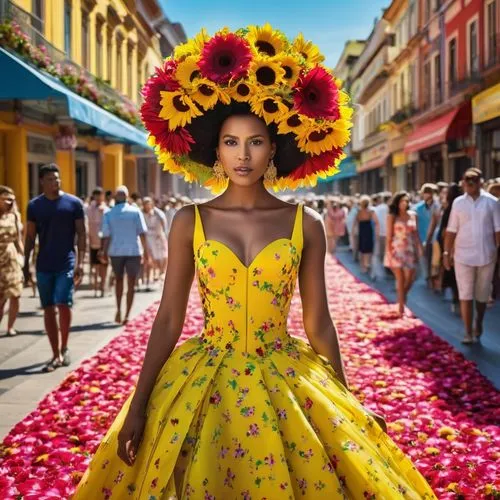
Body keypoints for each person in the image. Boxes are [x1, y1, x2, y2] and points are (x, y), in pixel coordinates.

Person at [73, 25, 436, 499]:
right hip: (201, 382)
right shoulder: (189, 220)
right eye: (231, 142)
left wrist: (347, 400)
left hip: (286, 376)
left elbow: (318, 321)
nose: (243, 155)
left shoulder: (305, 223)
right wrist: (139, 404)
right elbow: (168, 318)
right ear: (215, 151)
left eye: (256, 142)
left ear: (275, 148)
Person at [24, 164, 86, 372]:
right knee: (48, 308)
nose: (55, 182)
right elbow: (30, 236)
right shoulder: (34, 206)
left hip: (66, 262)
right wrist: (26, 264)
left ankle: (64, 345)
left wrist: (81, 262)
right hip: (44, 264)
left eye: (57, 179)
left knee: (63, 303)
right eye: (50, 179)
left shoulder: (74, 203)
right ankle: (55, 353)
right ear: (42, 181)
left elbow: (82, 234)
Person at [444, 168, 500, 344]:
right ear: (462, 183)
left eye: (473, 180)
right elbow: (451, 229)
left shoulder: (492, 202)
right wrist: (447, 252)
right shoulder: (458, 203)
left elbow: (498, 230)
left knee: (482, 295)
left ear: (480, 182)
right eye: (466, 181)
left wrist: (498, 251)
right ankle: (467, 332)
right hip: (463, 255)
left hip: (487, 255)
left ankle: (479, 322)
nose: (469, 184)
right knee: (465, 293)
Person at [100, 185, 149, 325]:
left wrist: (103, 252)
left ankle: (119, 310)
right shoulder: (135, 211)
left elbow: (106, 236)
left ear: (116, 197)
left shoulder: (108, 214)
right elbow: (142, 233)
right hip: (133, 251)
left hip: (116, 252)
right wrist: (146, 252)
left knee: (119, 280)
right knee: (131, 283)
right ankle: (127, 314)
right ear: (127, 197)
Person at [385, 192, 423, 316]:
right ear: (397, 202)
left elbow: (416, 234)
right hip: (396, 248)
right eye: (402, 201)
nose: (404, 204)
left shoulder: (413, 215)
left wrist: (420, 247)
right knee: (400, 278)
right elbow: (389, 235)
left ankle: (402, 297)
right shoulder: (392, 216)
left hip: (410, 248)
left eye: (406, 201)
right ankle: (401, 307)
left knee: (411, 277)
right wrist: (388, 251)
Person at [0, 186, 24, 336]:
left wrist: (23, 259)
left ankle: (10, 327)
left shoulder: (14, 216)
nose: (9, 203)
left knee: (16, 294)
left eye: (11, 200)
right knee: (1, 298)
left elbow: (18, 240)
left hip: (12, 259)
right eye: (5, 200)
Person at [437, 183, 462, 313]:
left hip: (452, 246)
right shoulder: (460, 207)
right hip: (461, 246)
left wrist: (446, 249)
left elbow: (444, 231)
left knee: (452, 273)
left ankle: (456, 299)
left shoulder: (450, 209)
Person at [414, 183, 439, 285]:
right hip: (422, 236)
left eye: (429, 193)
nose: (426, 195)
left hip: (435, 238)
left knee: (434, 259)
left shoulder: (437, 206)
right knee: (424, 258)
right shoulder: (417, 208)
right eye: (425, 193)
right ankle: (427, 277)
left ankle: (433, 279)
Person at [87, 187, 109, 297]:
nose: (98, 198)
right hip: (93, 241)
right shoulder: (89, 208)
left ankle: (103, 287)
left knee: (103, 266)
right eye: (96, 195)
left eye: (100, 195)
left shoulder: (106, 209)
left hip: (104, 243)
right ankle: (95, 287)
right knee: (95, 265)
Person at [142, 197, 168, 285]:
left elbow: (163, 222)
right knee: (152, 255)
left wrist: (162, 234)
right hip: (148, 237)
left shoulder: (157, 213)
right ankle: (155, 272)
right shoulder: (142, 214)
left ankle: (161, 271)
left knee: (162, 255)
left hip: (158, 236)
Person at [356, 195, 379, 275]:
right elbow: (376, 222)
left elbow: (357, 221)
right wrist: (377, 232)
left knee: (362, 249)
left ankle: (363, 266)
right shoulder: (371, 211)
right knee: (368, 249)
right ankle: (367, 264)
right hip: (368, 230)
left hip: (362, 230)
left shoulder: (359, 211)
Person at [372, 192, 390, 279]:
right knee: (387, 252)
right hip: (389, 233)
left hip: (380, 233)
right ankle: (387, 269)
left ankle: (378, 272)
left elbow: (375, 221)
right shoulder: (390, 209)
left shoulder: (377, 209)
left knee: (379, 253)